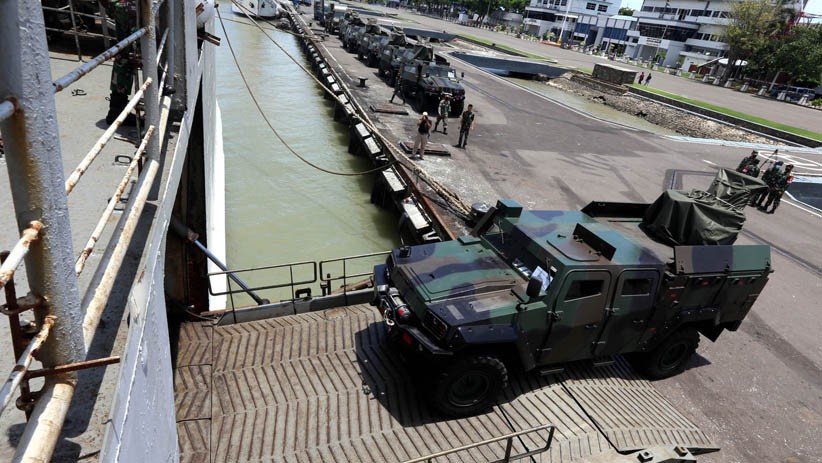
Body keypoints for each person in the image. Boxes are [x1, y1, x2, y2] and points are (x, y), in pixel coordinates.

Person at [102, 0, 140, 126]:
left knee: (125, 54)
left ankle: (116, 109)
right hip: (125, 6)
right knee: (131, 53)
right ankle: (116, 110)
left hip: (123, 5)